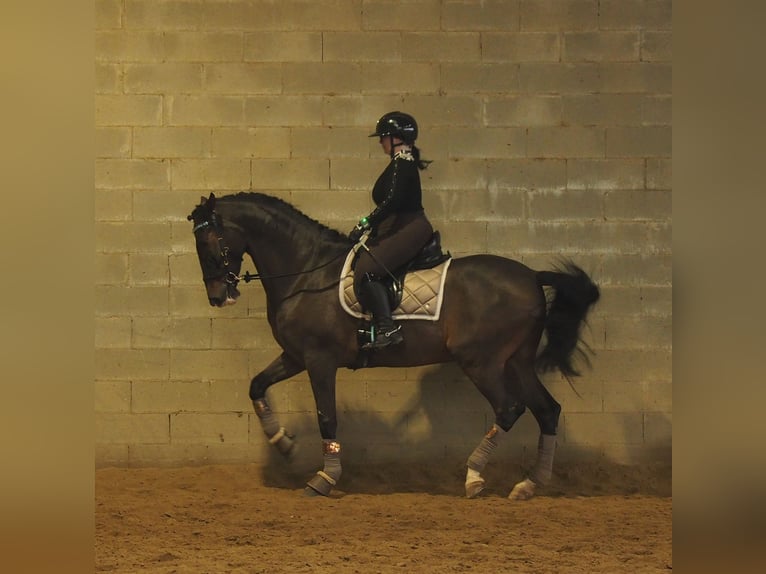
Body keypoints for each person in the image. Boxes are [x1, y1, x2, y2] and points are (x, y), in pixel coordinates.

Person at [349, 111, 435, 349]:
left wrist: (365, 223)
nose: (380, 142)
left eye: (384, 137)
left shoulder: (402, 164)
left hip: (410, 226)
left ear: (397, 138)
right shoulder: (399, 164)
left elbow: (392, 202)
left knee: (367, 271)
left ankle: (387, 329)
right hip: (399, 224)